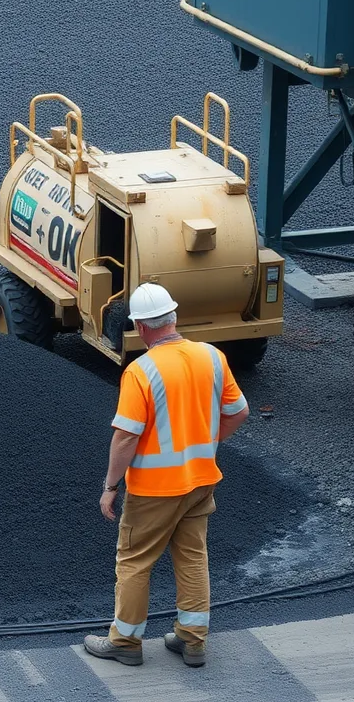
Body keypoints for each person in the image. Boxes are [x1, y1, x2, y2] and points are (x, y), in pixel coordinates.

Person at [83, 284, 250, 667]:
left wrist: (110, 487)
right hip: (200, 481)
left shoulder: (141, 371)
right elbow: (239, 411)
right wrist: (208, 440)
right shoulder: (211, 356)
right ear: (173, 317)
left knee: (134, 561)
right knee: (192, 557)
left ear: (140, 327)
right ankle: (192, 640)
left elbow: (125, 437)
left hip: (154, 490)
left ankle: (125, 641)